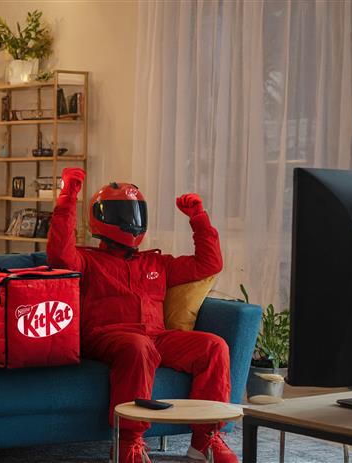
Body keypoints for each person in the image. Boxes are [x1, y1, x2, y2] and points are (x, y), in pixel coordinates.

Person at [47, 168, 235, 463]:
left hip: (156, 337)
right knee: (138, 346)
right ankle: (128, 442)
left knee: (214, 346)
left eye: (135, 212)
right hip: (106, 335)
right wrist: (68, 196)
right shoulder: (88, 259)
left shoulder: (156, 262)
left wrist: (198, 218)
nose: (131, 220)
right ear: (102, 217)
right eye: (123, 213)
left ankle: (205, 440)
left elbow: (209, 263)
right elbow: (59, 256)